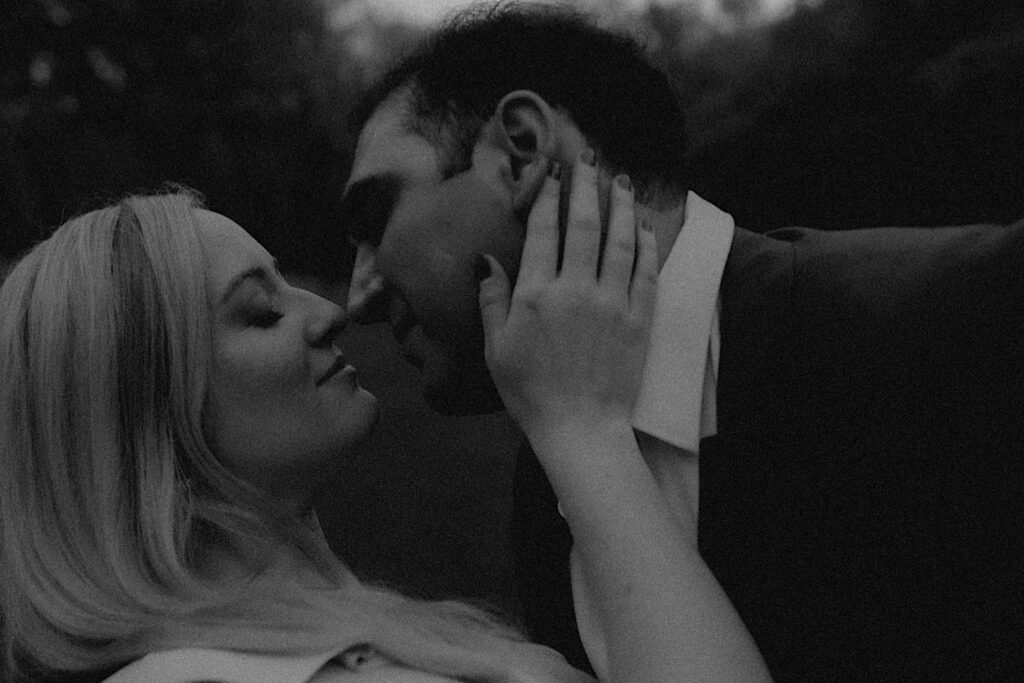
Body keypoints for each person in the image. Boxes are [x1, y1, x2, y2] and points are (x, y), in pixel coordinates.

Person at [340, 3, 1024, 679]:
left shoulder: (968, 312)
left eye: (375, 215)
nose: (358, 295)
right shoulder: (545, 487)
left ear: (521, 151)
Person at [0, 169, 769, 681]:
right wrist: (582, 429)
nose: (332, 312)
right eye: (261, 311)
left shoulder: (328, 639)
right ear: (146, 419)